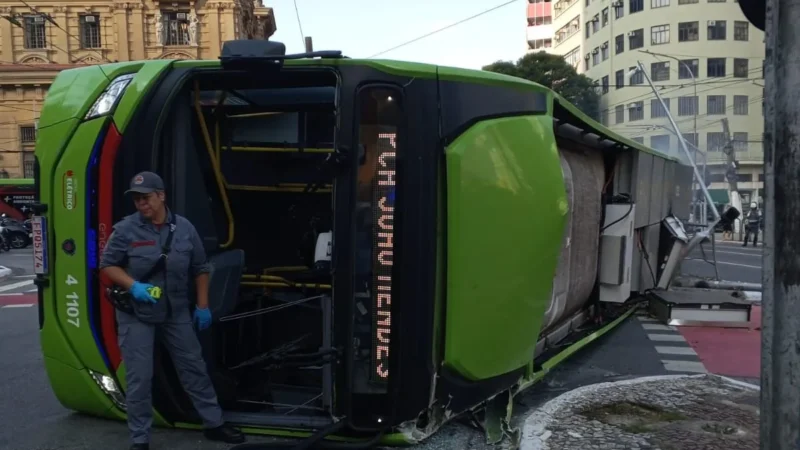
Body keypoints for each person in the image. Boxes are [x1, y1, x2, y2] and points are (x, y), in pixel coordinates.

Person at [99, 171, 245, 450]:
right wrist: (134, 287)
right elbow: (108, 265)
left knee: (194, 369)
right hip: (137, 314)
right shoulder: (126, 230)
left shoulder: (184, 228)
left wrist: (203, 306)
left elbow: (200, 268)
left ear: (161, 196)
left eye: (146, 198)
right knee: (140, 378)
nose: (142, 205)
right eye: (137, 200)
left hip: (176, 311)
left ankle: (214, 423)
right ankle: (140, 439)